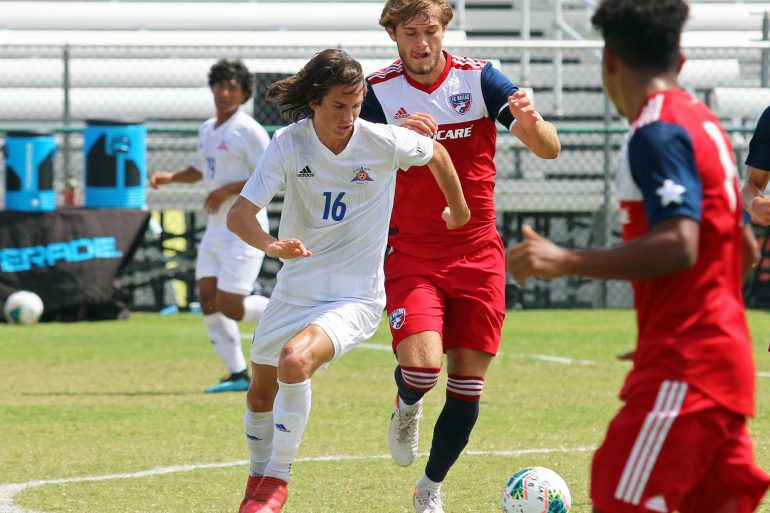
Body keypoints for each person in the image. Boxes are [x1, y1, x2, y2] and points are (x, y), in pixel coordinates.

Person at [507, 1, 770, 512]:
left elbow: (680, 242)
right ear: (681, 60)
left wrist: (567, 260)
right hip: (721, 361)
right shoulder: (705, 123)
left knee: (617, 493)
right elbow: (744, 248)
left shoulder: (655, 131)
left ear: (609, 62)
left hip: (687, 368)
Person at [227, 48, 470, 513]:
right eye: (339, 106)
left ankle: (277, 479)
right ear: (314, 101)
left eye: (356, 105)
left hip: (354, 297)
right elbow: (240, 215)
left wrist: (459, 211)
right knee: (260, 394)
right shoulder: (288, 143)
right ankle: (257, 479)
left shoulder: (382, 141)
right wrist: (272, 246)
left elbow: (437, 153)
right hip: (294, 289)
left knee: (294, 360)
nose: (349, 116)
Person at [359, 1, 560, 511]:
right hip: (413, 252)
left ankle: (429, 488)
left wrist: (531, 122)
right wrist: (398, 140)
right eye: (410, 33)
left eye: (430, 30)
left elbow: (549, 149)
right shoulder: (377, 92)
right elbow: (354, 166)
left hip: (479, 254)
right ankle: (407, 405)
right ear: (392, 34)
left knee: (468, 388)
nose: (421, 42)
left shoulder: (481, 79)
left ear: (444, 29)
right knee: (423, 370)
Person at [149, 59, 271, 394]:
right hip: (216, 229)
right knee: (207, 298)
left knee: (231, 304)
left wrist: (227, 190)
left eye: (232, 87)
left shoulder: (249, 130)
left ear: (244, 93)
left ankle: (291, 313)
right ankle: (237, 373)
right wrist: (170, 177)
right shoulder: (207, 129)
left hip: (244, 228)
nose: (224, 93)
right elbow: (200, 169)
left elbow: (271, 173)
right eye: (219, 86)